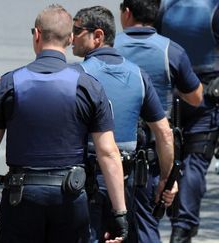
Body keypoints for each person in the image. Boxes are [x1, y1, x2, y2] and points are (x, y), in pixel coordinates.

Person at [0, 4, 128, 243]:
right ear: (68, 40)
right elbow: (108, 152)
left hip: (21, 198)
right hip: (69, 198)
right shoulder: (88, 87)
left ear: (36, 34)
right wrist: (119, 213)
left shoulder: (9, 84)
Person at [70, 6, 177, 243]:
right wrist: (167, 180)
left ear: (97, 36)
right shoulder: (138, 75)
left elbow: (26, 87)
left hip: (87, 184)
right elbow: (164, 133)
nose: (70, 38)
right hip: (126, 185)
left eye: (76, 31)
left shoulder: (76, 74)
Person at [114, 0, 204, 242]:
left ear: (127, 13)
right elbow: (196, 98)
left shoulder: (110, 46)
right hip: (151, 156)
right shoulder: (171, 51)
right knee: (145, 228)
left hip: (109, 151)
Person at [155, 0, 219, 242]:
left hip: (172, 95)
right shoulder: (213, 8)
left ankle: (178, 223)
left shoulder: (165, 7)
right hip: (207, 98)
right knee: (194, 164)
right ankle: (182, 228)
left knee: (175, 161)